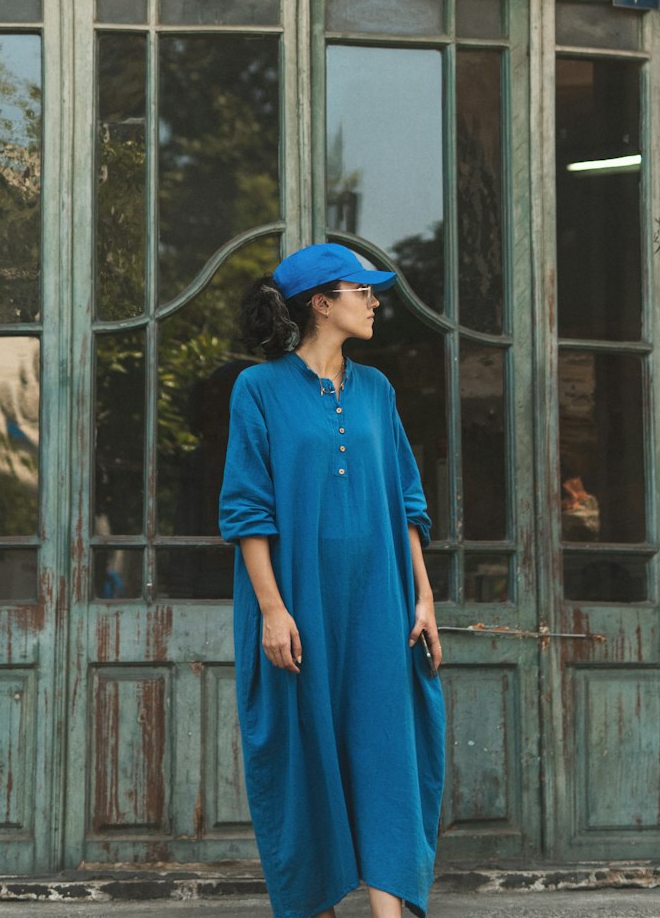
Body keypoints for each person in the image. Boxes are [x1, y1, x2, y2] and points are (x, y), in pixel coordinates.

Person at [219, 242, 446, 918]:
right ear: (322, 302)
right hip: (300, 597)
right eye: (362, 291)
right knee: (306, 749)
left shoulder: (377, 390)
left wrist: (425, 596)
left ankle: (388, 911)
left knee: (387, 747)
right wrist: (271, 610)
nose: (374, 303)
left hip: (379, 598)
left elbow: (407, 500)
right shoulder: (257, 390)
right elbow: (246, 509)